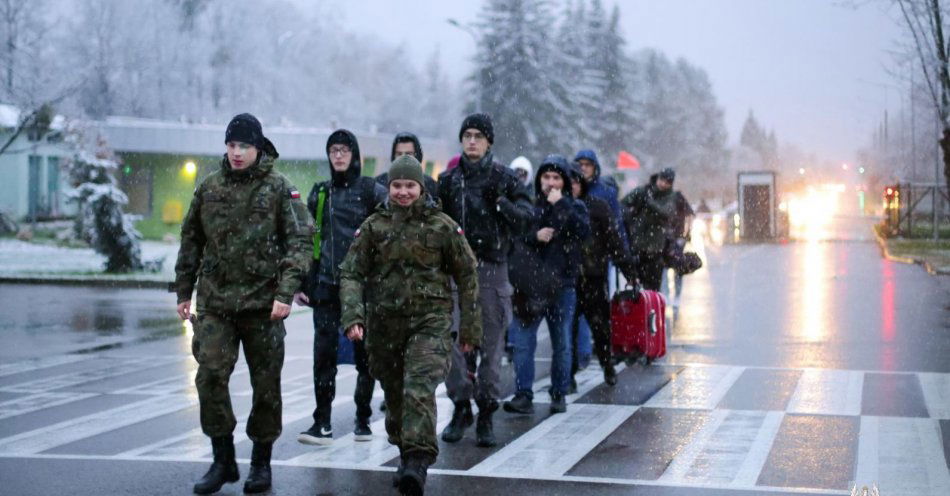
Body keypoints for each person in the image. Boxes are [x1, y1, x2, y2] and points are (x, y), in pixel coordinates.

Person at [175, 113, 313, 494]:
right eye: (232, 145)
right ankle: (223, 460)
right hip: (217, 301)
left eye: (244, 146)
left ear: (258, 148)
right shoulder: (209, 187)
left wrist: (285, 292)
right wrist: (184, 291)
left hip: (263, 305)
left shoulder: (279, 189)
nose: (237, 153)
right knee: (210, 377)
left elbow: (299, 242)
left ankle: (261, 464)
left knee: (265, 386)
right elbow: (191, 240)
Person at [340, 155, 481, 496]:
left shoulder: (442, 226)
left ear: (421, 187)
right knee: (396, 395)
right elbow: (351, 273)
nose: (403, 192)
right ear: (389, 188)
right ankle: (406, 454)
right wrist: (352, 316)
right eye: (397, 186)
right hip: (385, 326)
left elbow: (467, 273)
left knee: (418, 387)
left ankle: (417, 462)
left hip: (430, 323)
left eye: (410, 186)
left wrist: (470, 329)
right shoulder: (374, 227)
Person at [438, 113, 534, 447]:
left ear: (489, 140)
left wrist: (502, 204)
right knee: (448, 342)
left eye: (479, 135)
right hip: (456, 272)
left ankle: (486, 413)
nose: (472, 141)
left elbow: (526, 220)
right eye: (467, 135)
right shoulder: (449, 181)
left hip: (493, 271)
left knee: (491, 349)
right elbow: (437, 223)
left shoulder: (505, 178)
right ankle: (461, 404)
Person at [297, 129, 387, 446]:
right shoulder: (320, 192)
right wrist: (302, 281)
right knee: (323, 357)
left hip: (362, 289)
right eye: (333, 150)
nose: (338, 156)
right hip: (325, 288)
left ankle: (363, 418)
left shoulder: (371, 190)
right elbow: (309, 240)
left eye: (344, 150)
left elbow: (392, 227)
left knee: (365, 357)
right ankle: (322, 422)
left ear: (354, 154)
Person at [503, 155, 590, 415]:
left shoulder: (574, 207)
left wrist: (561, 204)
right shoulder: (529, 205)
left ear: (564, 181)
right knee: (523, 342)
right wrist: (535, 236)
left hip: (562, 285)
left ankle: (559, 392)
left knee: (562, 342)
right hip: (530, 286)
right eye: (546, 177)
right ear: (539, 179)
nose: (550, 183)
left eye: (556, 178)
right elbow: (516, 238)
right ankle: (523, 394)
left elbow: (581, 232)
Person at [566, 163, 637, 388]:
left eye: (577, 182)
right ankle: (568, 375)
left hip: (594, 276)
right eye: (570, 182)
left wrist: (629, 271)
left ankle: (607, 365)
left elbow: (615, 242)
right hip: (568, 278)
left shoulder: (597, 207)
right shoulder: (561, 207)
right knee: (567, 330)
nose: (574, 187)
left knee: (600, 327)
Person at [621, 167, 677, 291]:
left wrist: (650, 203)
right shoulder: (642, 191)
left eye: (667, 182)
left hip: (655, 250)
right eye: (662, 180)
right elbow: (623, 204)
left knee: (653, 288)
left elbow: (666, 213)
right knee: (635, 287)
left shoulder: (670, 197)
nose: (663, 184)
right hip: (637, 246)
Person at [376, 132, 438, 196]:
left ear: (417, 156)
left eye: (408, 154)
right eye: (399, 154)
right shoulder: (379, 182)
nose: (403, 157)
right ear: (393, 156)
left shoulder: (430, 184)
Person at [662, 190, 694, 308]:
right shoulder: (678, 200)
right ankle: (672, 296)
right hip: (673, 240)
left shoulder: (675, 199)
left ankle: (669, 296)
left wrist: (685, 235)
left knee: (669, 268)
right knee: (675, 269)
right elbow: (690, 215)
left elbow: (689, 215)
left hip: (673, 240)